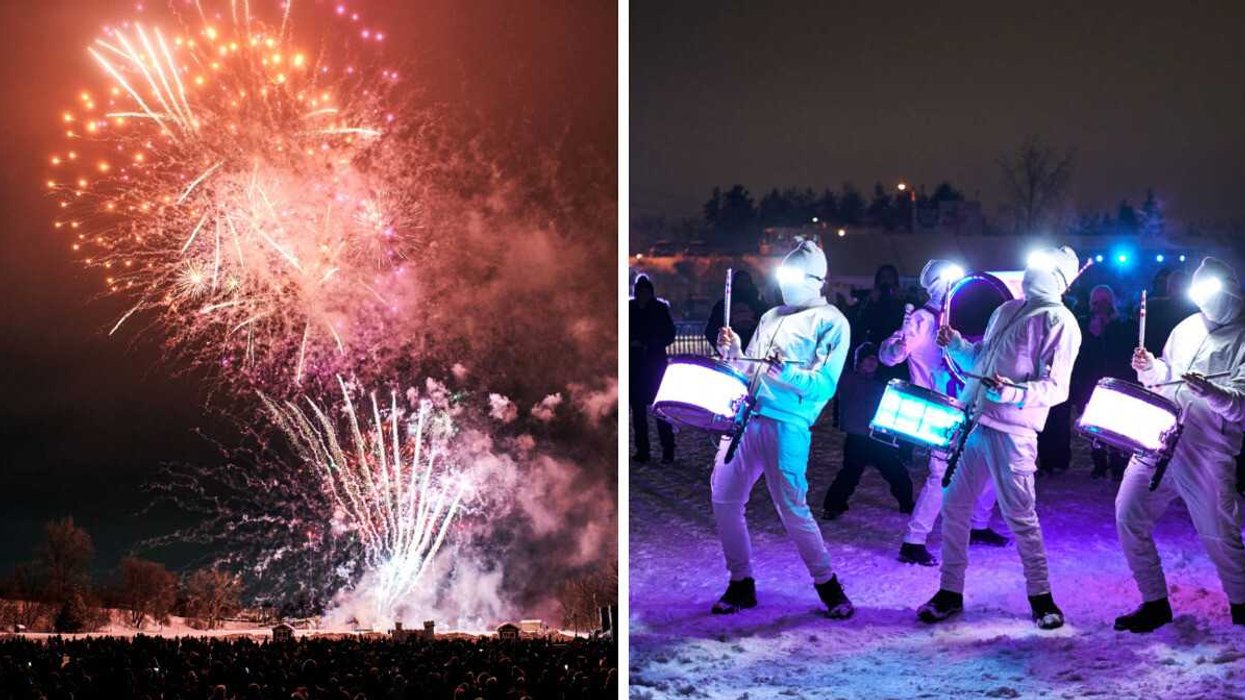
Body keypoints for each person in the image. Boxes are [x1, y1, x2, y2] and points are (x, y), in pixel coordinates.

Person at [917, 246, 1083, 630]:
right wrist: (958, 346)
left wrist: (1012, 393)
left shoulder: (1060, 321)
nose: (1030, 268)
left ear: (1057, 275)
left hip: (1014, 432)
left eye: (1040, 265)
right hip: (978, 424)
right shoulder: (1006, 310)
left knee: (1020, 516)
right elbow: (981, 361)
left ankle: (1042, 598)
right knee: (954, 506)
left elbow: (1056, 388)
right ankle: (949, 591)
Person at [710, 240, 854, 619]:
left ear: (814, 279)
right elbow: (750, 371)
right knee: (724, 499)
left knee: (792, 508)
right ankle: (740, 582)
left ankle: (829, 586)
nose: (786, 284)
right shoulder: (771, 315)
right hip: (748, 418)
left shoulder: (832, 321)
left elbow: (824, 385)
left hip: (787, 424)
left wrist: (786, 372)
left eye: (793, 276)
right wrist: (736, 353)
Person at [1113, 257, 1245, 633]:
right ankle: (1154, 603)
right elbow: (1167, 380)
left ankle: (1242, 605)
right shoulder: (1187, 326)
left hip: (1207, 451)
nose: (1204, 302)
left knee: (1221, 535)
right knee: (1128, 514)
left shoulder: (1243, 337)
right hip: (1160, 440)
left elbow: (1241, 408)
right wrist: (1150, 368)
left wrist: (1211, 391)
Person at [878, 259, 1007, 568]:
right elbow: (890, 353)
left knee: (990, 464)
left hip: (970, 404)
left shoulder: (968, 314)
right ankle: (914, 541)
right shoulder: (922, 319)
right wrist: (893, 349)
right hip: (938, 407)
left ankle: (978, 524)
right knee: (941, 476)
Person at [821, 342, 915, 519]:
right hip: (856, 438)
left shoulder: (882, 385)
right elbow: (831, 367)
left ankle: (907, 505)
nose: (871, 363)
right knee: (849, 474)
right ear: (859, 362)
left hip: (878, 438)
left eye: (874, 360)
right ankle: (832, 507)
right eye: (867, 359)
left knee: (896, 473)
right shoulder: (847, 379)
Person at [1070, 284, 1138, 480]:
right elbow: (1081, 357)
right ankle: (1099, 464)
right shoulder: (1083, 325)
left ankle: (1118, 466)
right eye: (1096, 302)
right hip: (1090, 383)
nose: (1100, 306)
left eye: (1105, 302)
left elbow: (1123, 353)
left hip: (1115, 383)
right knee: (1094, 428)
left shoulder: (1123, 326)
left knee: (1116, 427)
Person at [629, 274, 676, 463]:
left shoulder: (658, 309)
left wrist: (650, 343)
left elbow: (669, 334)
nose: (643, 295)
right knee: (639, 412)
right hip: (636, 366)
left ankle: (667, 449)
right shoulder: (631, 309)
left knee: (660, 410)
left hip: (654, 364)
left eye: (645, 291)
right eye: (640, 291)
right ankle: (643, 450)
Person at [704, 269, 768, 352]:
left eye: (746, 281)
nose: (744, 285)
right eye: (740, 282)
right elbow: (711, 330)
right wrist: (722, 347)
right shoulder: (722, 306)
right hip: (731, 352)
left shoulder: (759, 306)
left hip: (755, 352)